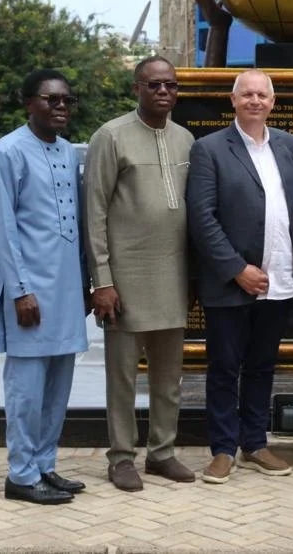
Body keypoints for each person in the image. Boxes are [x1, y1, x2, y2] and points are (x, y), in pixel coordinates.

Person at [83, 56, 196, 492]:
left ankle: (162, 453)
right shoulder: (110, 137)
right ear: (136, 89)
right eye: (154, 85)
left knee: (169, 377)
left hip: (173, 276)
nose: (163, 92)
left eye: (170, 85)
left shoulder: (186, 140)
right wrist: (102, 281)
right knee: (123, 378)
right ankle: (121, 457)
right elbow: (93, 212)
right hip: (124, 280)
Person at [186, 69, 293, 484]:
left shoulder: (291, 147)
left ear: (273, 102)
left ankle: (254, 443)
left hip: (278, 283)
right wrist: (237, 269)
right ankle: (222, 448)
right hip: (230, 283)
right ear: (233, 101)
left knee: (261, 367)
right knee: (223, 367)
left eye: (262, 94)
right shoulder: (210, 149)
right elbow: (202, 218)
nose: (255, 100)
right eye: (247, 94)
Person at [0, 68, 90, 506]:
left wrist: (85, 284)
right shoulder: (7, 152)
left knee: (58, 388)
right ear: (29, 103)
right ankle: (21, 475)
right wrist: (19, 290)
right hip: (29, 294)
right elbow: (3, 231)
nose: (60, 106)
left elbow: (77, 225)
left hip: (66, 292)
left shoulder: (68, 153)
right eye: (51, 99)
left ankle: (44, 464)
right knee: (26, 390)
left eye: (67, 99)